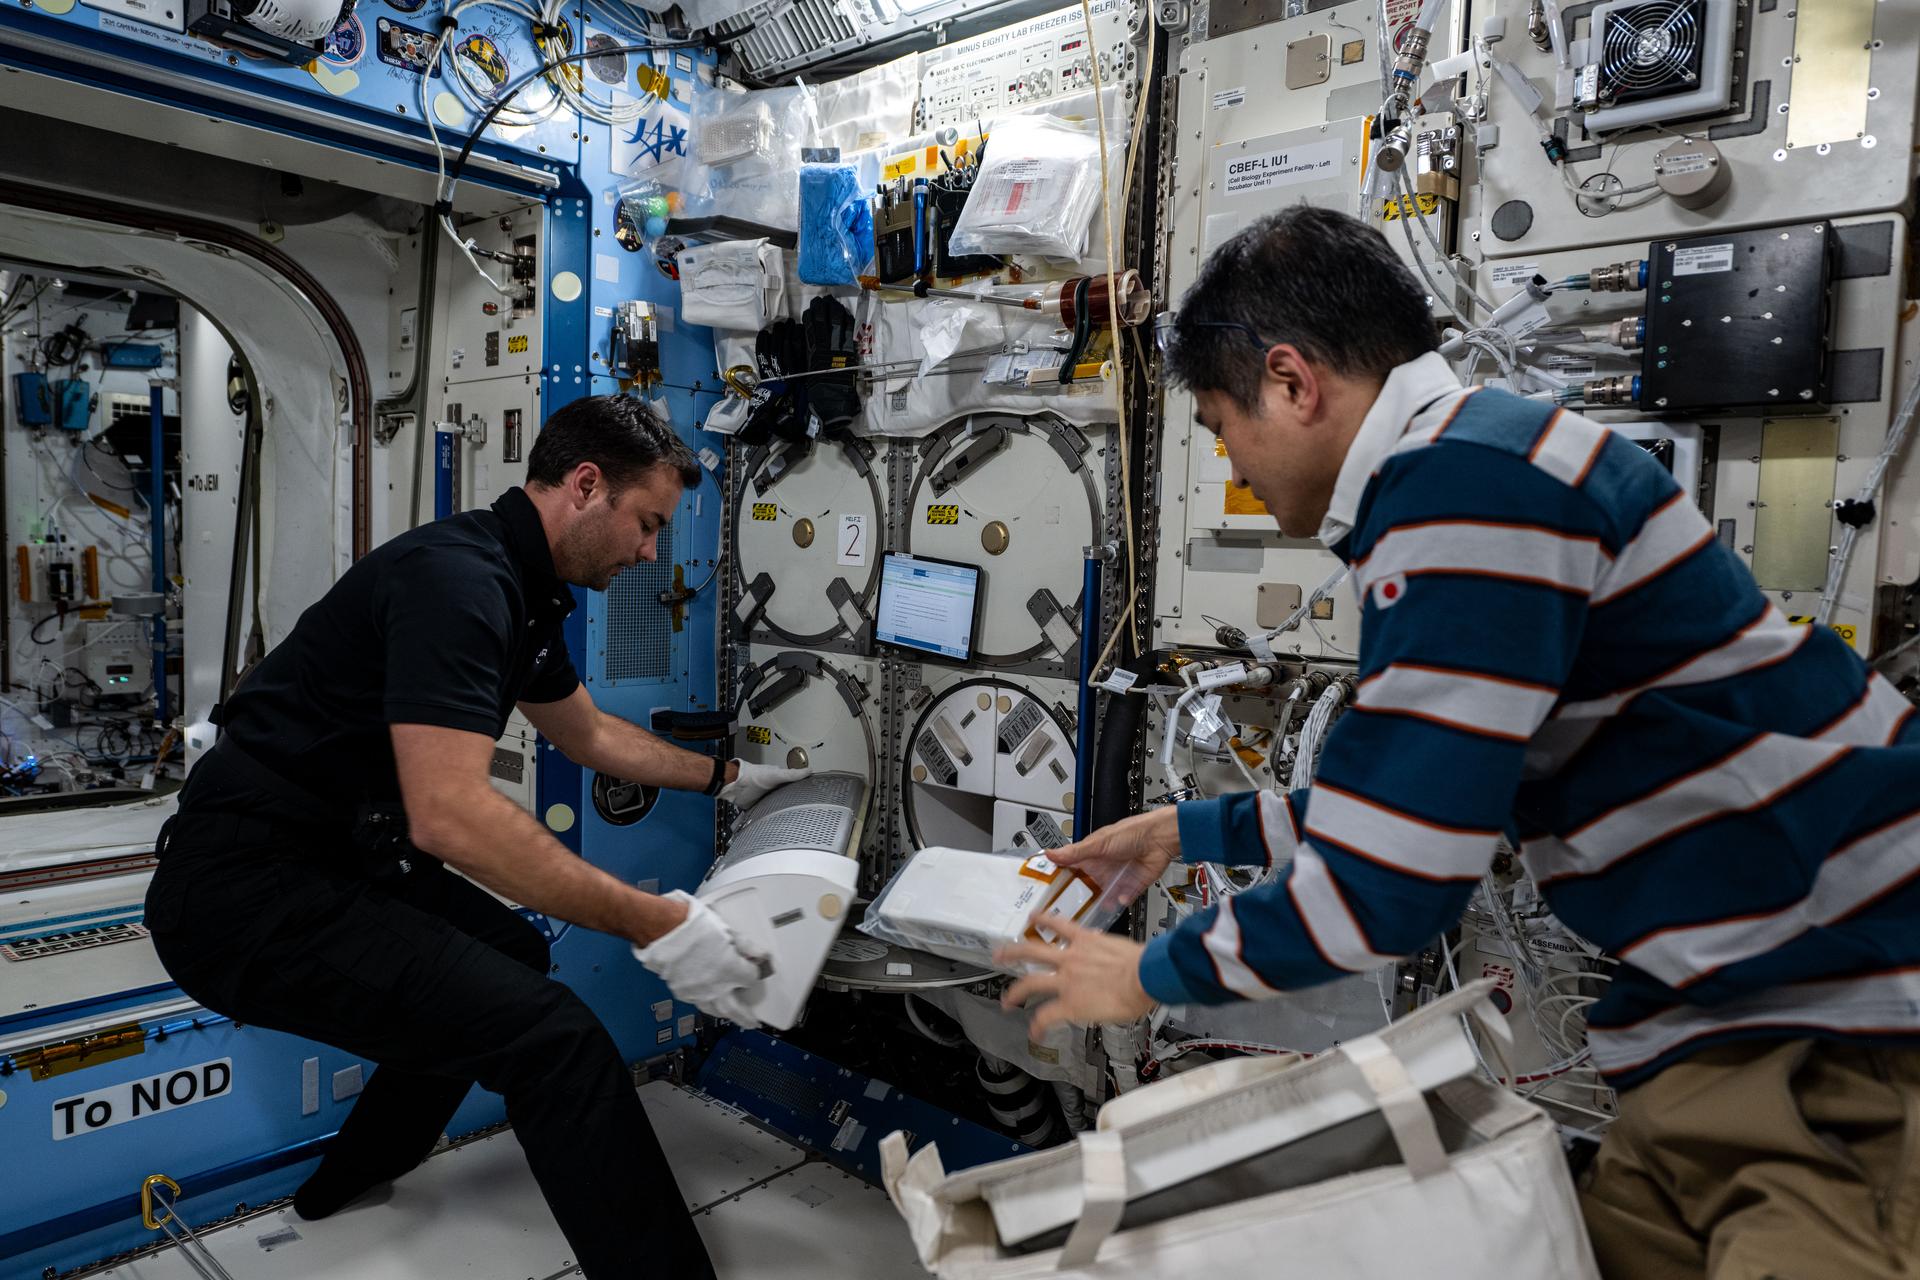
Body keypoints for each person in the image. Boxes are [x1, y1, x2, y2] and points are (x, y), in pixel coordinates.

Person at [998, 206, 1920, 1280]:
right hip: (1727, 1011)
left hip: (1840, 1016)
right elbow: (1432, 798)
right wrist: (1189, 826)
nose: (1233, 462)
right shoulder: (1479, 458)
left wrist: (1148, 971)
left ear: (1292, 382)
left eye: (1219, 424)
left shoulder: (1464, 486)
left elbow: (1395, 879)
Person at [144, 395, 805, 1280]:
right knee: (555, 1042)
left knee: (511, 953)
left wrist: (730, 778)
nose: (651, 553)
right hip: (242, 893)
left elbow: (591, 736)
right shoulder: (460, 582)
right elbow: (450, 816)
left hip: (340, 857)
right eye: (647, 525)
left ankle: (356, 1170)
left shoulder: (523, 590)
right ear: (585, 485)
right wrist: (655, 922)